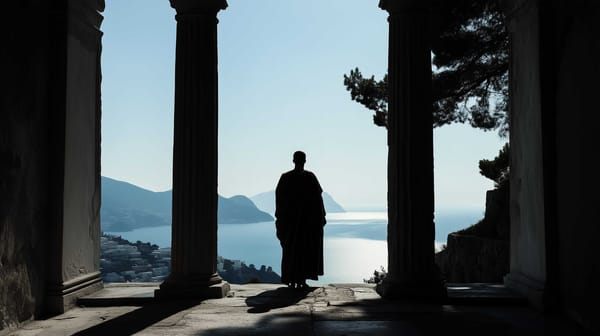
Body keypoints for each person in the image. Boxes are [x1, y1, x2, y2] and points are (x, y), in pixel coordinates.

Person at [275, 151, 326, 290]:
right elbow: (318, 200)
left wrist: (281, 219)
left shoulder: (287, 178)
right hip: (302, 223)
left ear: (293, 160)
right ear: (304, 161)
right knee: (303, 251)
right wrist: (321, 217)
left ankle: (294, 279)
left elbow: (280, 201)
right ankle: (299, 279)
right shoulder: (309, 177)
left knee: (294, 251)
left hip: (296, 223)